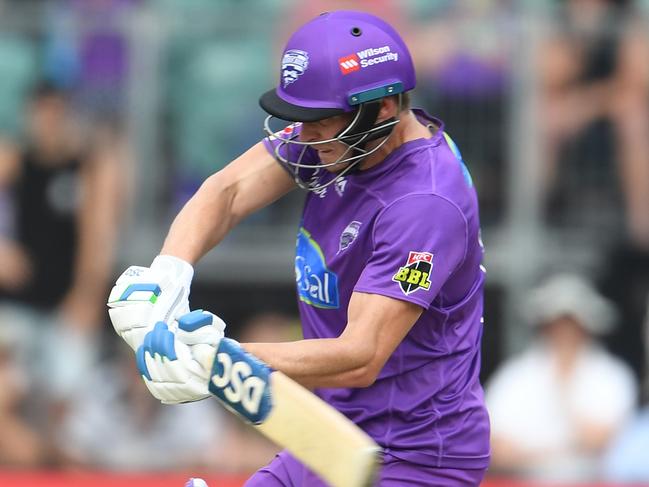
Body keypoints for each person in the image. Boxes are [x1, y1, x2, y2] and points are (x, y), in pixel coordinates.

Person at [108, 10, 490, 486]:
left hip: (413, 458)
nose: (304, 137)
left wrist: (219, 362)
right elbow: (226, 193)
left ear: (385, 108)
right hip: (329, 439)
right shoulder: (345, 136)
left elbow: (361, 355)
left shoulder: (424, 204)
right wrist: (169, 272)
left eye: (319, 121)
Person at [485, 273, 637, 482]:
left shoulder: (611, 375)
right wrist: (553, 456)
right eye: (556, 326)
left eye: (572, 326)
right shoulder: (515, 376)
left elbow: (599, 440)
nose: (564, 334)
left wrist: (563, 388)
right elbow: (495, 448)